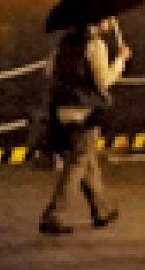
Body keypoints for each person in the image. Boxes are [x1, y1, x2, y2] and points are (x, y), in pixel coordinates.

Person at [39, 16, 131, 234]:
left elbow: (49, 71)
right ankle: (54, 213)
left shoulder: (63, 44)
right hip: (86, 112)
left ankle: (101, 209)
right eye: (106, 18)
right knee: (77, 164)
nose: (110, 21)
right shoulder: (95, 45)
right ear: (95, 22)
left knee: (87, 161)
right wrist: (120, 60)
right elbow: (103, 81)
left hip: (62, 111)